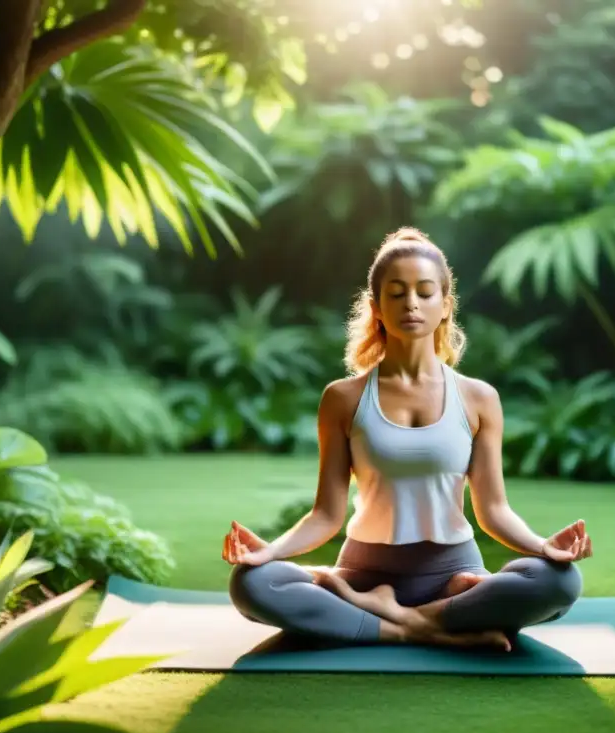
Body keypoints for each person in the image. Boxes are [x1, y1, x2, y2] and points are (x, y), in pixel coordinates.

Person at [221, 227, 593, 652]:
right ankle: (419, 628)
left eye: (424, 291)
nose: (411, 303)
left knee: (559, 581)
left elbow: (493, 510)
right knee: (252, 583)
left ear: (445, 306)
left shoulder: (478, 399)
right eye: (396, 293)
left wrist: (544, 546)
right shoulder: (343, 399)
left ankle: (375, 614)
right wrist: (268, 553)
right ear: (377, 308)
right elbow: (326, 515)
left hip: (455, 574)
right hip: (364, 570)